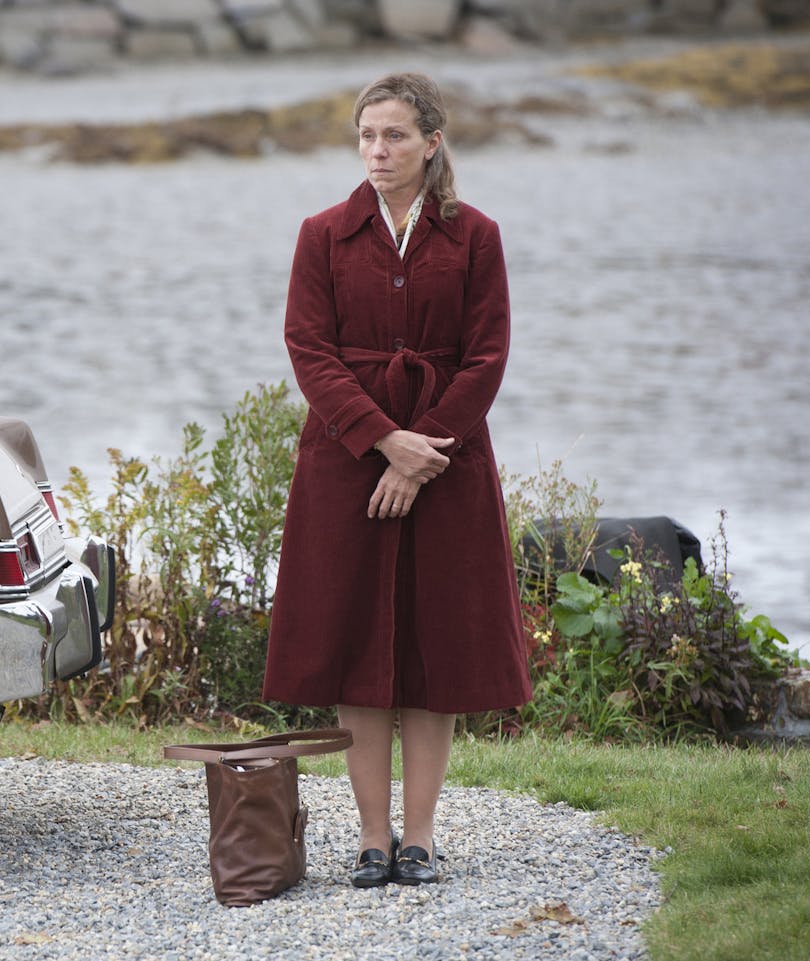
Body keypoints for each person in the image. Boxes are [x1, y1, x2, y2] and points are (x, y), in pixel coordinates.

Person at [262, 73, 532, 888]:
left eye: (394, 137)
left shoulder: (475, 236)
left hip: (449, 465)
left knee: (434, 646)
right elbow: (308, 348)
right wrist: (383, 442)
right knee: (356, 649)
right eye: (366, 137)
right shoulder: (324, 234)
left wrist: (422, 455)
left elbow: (487, 356)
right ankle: (371, 838)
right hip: (346, 464)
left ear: (432, 144)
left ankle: (421, 836)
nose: (378, 152)